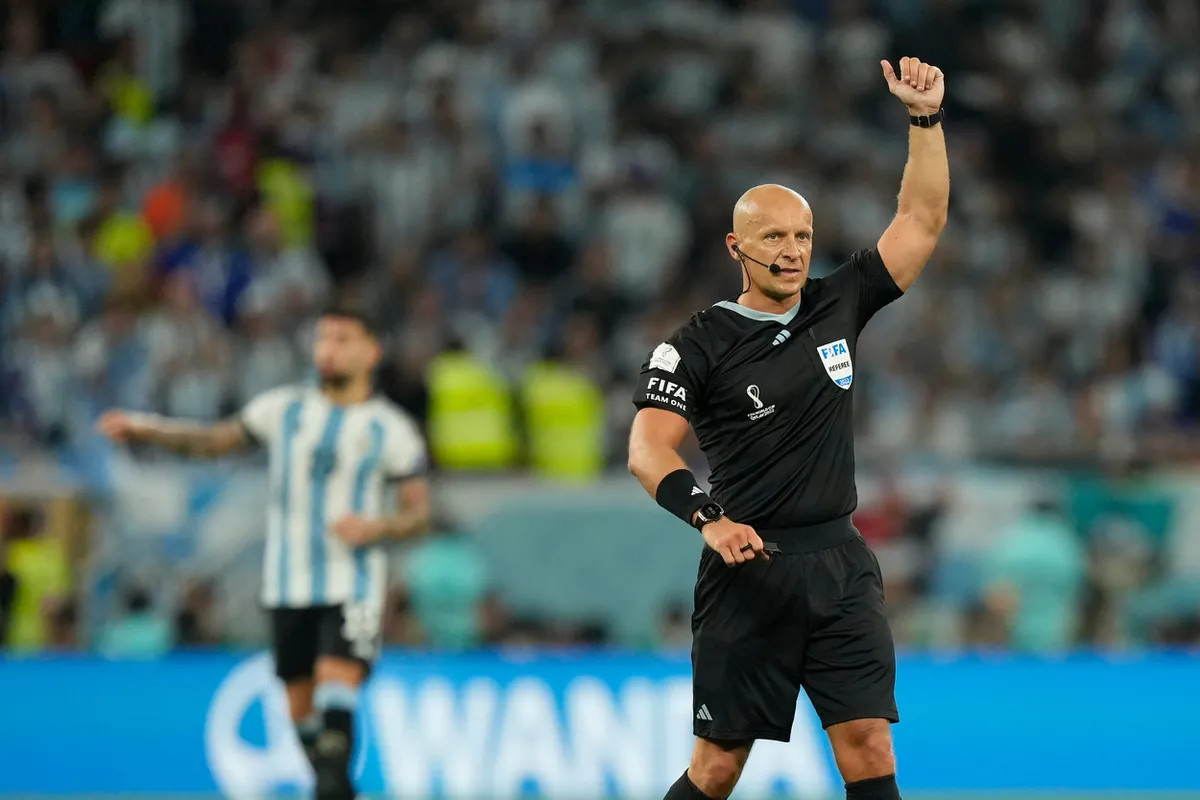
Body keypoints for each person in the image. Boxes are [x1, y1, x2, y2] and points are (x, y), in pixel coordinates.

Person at [627, 58, 949, 800]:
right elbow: (648, 448)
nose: (792, 250)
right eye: (773, 237)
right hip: (749, 572)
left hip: (839, 564)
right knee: (718, 768)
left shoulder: (839, 303)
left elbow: (922, 219)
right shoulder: (697, 343)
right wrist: (707, 518)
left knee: (869, 746)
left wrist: (925, 121)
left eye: (802, 235)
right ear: (737, 249)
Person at [96, 308, 431, 800]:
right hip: (288, 582)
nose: (328, 350)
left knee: (337, 684)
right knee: (301, 709)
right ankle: (334, 787)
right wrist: (146, 429)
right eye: (322, 339)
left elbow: (418, 514)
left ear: (370, 352)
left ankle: (333, 784)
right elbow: (214, 442)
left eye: (342, 339)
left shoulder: (390, 429)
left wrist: (377, 526)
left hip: (352, 580)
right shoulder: (284, 409)